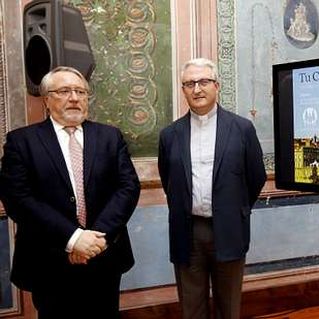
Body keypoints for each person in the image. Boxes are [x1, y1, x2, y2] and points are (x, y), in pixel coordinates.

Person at [0, 66, 140, 319]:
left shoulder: (110, 137)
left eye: (81, 91)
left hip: (104, 256)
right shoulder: (22, 142)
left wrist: (95, 241)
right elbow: (18, 199)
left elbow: (128, 188)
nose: (74, 98)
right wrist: (74, 238)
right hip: (49, 262)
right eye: (64, 91)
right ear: (46, 99)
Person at [158, 58, 267, 319]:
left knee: (228, 306)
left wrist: (235, 208)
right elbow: (168, 180)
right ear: (183, 89)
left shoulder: (242, 129)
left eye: (204, 81)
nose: (197, 89)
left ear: (217, 85)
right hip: (187, 231)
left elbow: (256, 177)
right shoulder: (170, 135)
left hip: (229, 228)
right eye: (189, 83)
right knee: (191, 306)